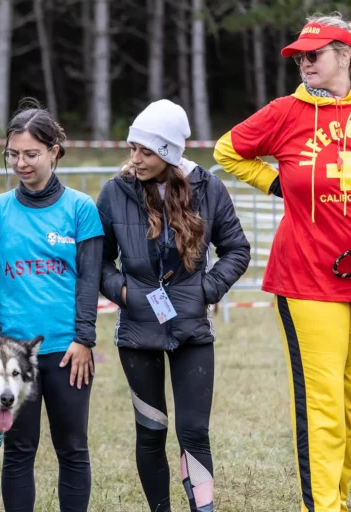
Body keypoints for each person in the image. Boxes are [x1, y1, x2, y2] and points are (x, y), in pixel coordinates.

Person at [214, 12, 351, 511]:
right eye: (299, 57)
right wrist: (277, 185)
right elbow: (228, 150)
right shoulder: (286, 112)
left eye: (315, 55)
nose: (305, 63)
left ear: (344, 54)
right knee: (325, 408)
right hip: (309, 281)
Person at [98, 99, 250, 512]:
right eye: (133, 148)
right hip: (136, 333)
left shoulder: (209, 188)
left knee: (194, 430)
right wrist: (124, 293)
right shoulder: (115, 192)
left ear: (168, 153)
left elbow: (236, 249)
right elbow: (97, 259)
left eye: (146, 151)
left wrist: (206, 291)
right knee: (150, 430)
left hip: (192, 332)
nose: (136, 159)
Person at [0, 100, 103, 512]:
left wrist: (84, 339)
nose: (21, 163)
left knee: (73, 449)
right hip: (12, 358)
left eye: (31, 154)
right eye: (13, 155)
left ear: (54, 152)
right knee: (19, 451)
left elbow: (89, 279)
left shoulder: (81, 209)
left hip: (68, 353)